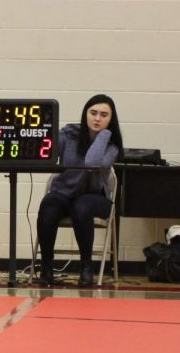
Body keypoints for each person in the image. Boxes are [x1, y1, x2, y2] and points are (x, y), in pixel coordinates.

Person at [36, 94, 123, 288]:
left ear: (111, 119)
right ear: (85, 114)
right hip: (64, 193)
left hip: (95, 198)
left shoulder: (111, 145)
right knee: (48, 205)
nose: (97, 118)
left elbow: (92, 163)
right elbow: (48, 154)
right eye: (93, 113)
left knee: (81, 207)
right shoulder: (68, 134)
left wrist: (103, 135)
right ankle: (46, 268)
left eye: (103, 115)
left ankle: (86, 267)